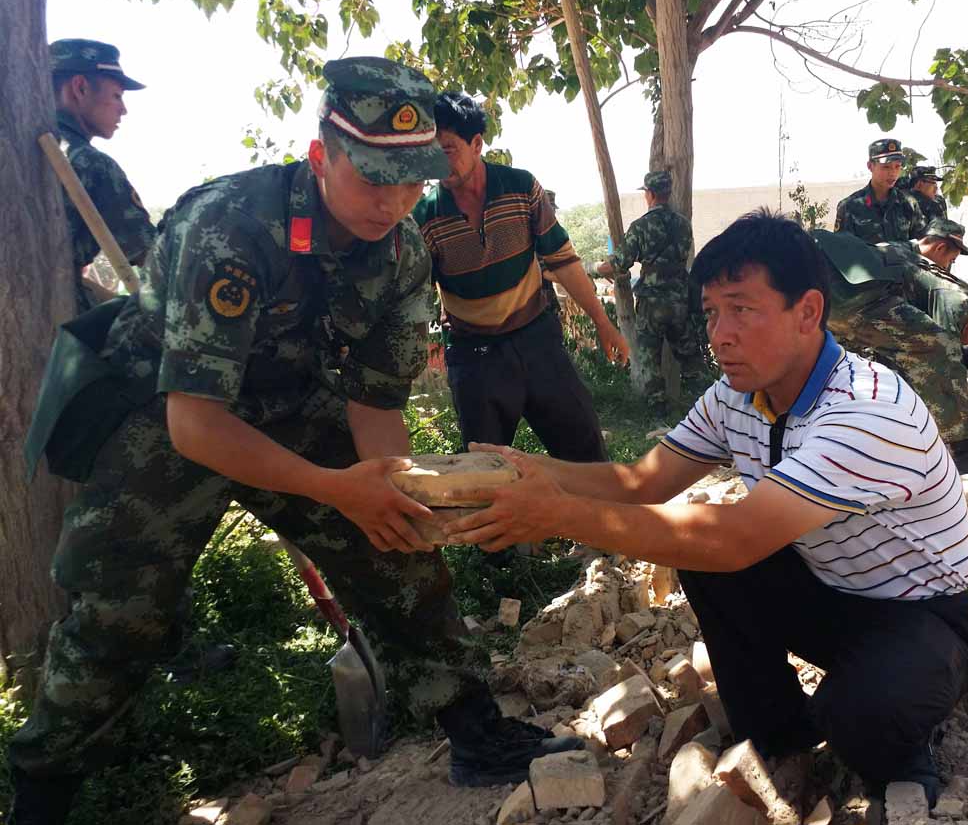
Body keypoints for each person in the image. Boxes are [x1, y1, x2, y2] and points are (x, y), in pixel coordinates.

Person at [8, 58, 581, 825]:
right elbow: (197, 422)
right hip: (165, 416)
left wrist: (385, 486)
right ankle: (43, 799)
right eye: (374, 178)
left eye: (413, 180)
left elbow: (374, 403)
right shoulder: (232, 227)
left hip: (292, 404)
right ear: (321, 156)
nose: (394, 201)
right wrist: (333, 487)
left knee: (399, 544)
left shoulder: (405, 253)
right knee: (116, 613)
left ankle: (474, 728)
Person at [442, 211, 968, 807]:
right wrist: (529, 471)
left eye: (741, 309)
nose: (719, 333)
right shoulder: (738, 393)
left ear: (808, 311)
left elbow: (733, 538)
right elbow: (643, 482)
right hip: (834, 595)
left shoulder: (864, 410)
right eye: (711, 313)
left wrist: (554, 513)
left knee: (860, 720)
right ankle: (779, 734)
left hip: (926, 617)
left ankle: (897, 737)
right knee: (701, 558)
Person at [413, 93, 629, 461]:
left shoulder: (521, 187)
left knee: (587, 458)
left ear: (477, 143)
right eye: (430, 150)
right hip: (474, 354)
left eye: (447, 148)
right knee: (484, 470)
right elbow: (414, 294)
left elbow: (562, 261)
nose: (437, 160)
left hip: (537, 340)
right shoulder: (425, 215)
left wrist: (603, 323)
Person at [815, 227, 968, 481]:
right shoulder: (958, 301)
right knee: (935, 349)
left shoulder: (950, 292)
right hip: (847, 292)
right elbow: (945, 365)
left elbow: (907, 356)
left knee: (887, 366)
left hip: (825, 281)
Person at [49, 39, 158, 312]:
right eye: (117, 96)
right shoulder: (91, 164)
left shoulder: (19, 151)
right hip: (56, 315)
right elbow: (154, 256)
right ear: (80, 88)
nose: (123, 109)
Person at [589, 170, 706, 408]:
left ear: (650, 194)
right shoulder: (684, 225)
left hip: (652, 305)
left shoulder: (641, 227)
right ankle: (708, 408)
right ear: (668, 192)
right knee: (691, 360)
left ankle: (658, 414)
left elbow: (619, 262)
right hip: (680, 302)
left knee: (649, 361)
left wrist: (589, 269)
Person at [834, 138, 927, 244]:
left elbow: (921, 245)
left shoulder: (909, 204)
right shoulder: (849, 207)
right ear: (870, 166)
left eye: (897, 166)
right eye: (886, 167)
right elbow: (841, 251)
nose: (893, 173)